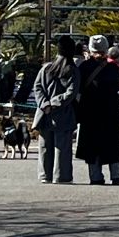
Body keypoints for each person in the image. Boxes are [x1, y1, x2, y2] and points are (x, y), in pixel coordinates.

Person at [76, 34, 119, 185]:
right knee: (113, 143)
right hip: (110, 111)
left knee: (92, 144)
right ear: (106, 49)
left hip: (90, 111)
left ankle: (95, 176)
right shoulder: (114, 68)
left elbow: (78, 88)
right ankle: (116, 175)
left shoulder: (84, 68)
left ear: (90, 49)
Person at [33, 36, 80, 184]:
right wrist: (55, 103)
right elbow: (71, 93)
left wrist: (45, 104)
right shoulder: (72, 70)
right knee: (62, 147)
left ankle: (44, 175)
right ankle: (62, 176)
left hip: (44, 113)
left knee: (45, 146)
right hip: (64, 113)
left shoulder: (46, 68)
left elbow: (37, 87)